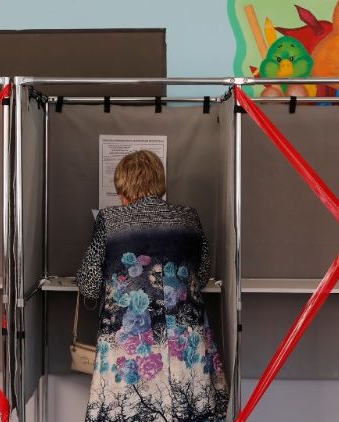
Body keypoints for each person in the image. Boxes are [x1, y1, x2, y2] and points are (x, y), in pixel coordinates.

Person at [76, 150, 228, 422]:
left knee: (130, 412)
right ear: (159, 182)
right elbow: (201, 276)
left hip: (131, 342)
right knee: (184, 409)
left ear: (123, 187)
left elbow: (88, 285)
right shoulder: (189, 219)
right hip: (185, 341)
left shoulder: (110, 220)